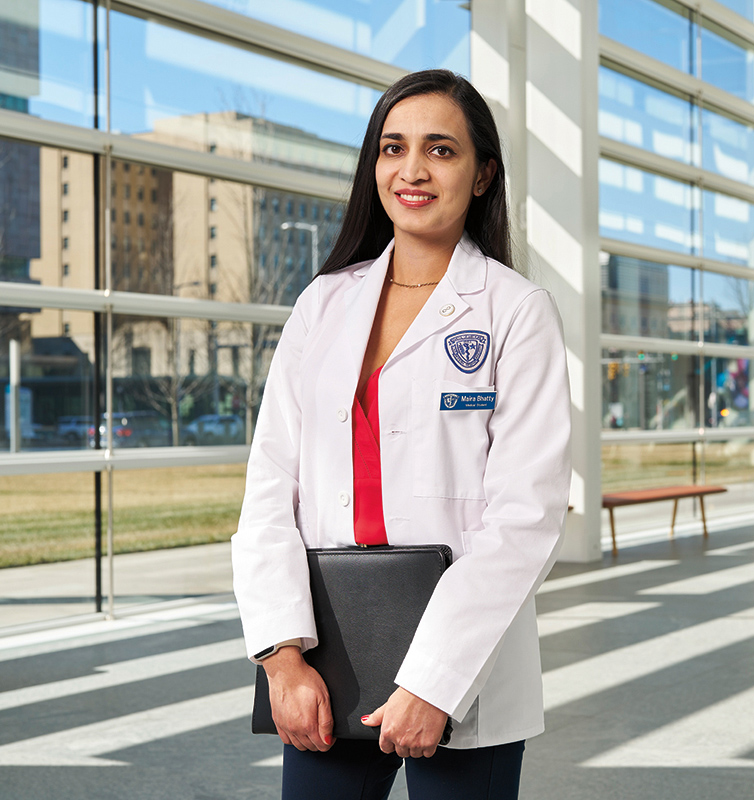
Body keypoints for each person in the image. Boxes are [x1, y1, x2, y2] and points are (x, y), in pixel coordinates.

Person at [231, 69, 572, 800]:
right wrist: (281, 658)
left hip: (464, 667)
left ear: (482, 175)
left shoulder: (515, 312)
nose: (411, 170)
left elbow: (526, 517)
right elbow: (269, 489)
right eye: (393, 148)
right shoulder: (323, 304)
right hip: (329, 656)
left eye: (441, 151)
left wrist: (433, 681)